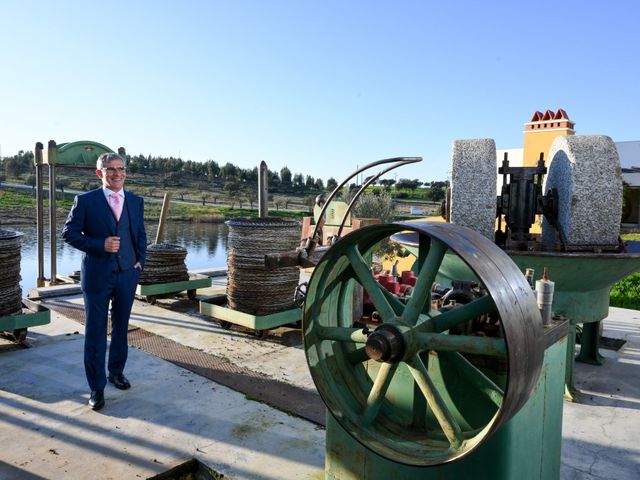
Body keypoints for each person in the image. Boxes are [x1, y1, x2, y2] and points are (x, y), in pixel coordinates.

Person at [62, 152, 147, 411]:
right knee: (95, 332)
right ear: (100, 173)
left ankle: (116, 373)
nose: (117, 173)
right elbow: (69, 234)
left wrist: (139, 262)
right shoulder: (85, 201)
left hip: (127, 275)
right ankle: (96, 388)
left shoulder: (135, 201)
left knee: (121, 328)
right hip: (97, 276)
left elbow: (140, 234)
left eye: (121, 168)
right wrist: (100, 244)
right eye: (111, 169)